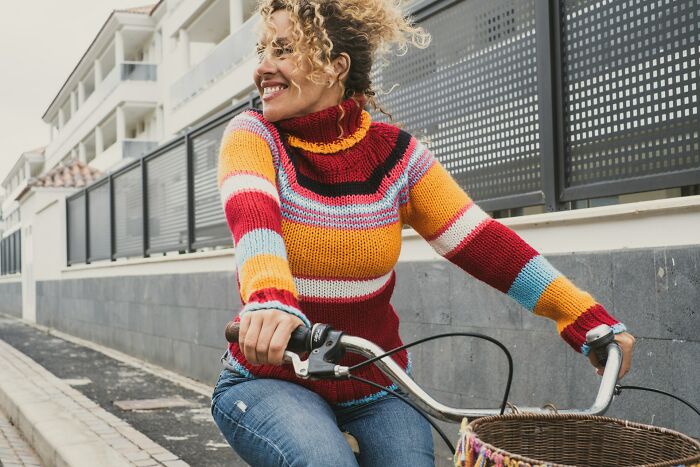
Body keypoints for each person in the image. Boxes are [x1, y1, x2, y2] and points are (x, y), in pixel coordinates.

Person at [210, 0, 636, 465]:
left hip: (374, 383)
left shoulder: (397, 156)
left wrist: (582, 316)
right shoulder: (253, 136)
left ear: (336, 66)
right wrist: (270, 300)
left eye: (283, 49)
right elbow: (254, 223)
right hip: (272, 379)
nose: (262, 68)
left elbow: (485, 243)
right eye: (262, 50)